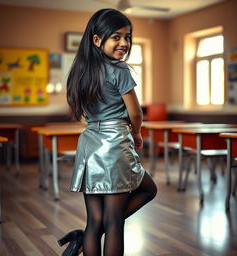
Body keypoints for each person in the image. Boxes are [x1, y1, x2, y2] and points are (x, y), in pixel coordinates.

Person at [58, 8, 157, 256]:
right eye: (116, 37)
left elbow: (82, 114)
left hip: (90, 143)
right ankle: (84, 238)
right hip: (114, 144)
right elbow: (135, 113)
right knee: (122, 215)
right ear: (97, 39)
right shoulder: (120, 69)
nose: (124, 43)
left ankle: (82, 240)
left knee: (95, 221)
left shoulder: (80, 71)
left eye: (127, 37)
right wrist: (137, 134)